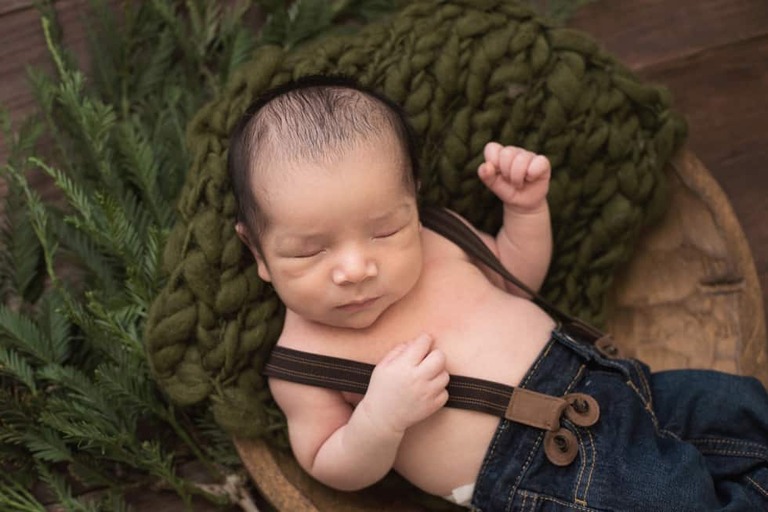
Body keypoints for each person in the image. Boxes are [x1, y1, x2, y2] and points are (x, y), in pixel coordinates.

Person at [228, 75, 768, 511]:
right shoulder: (302, 363)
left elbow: (518, 278)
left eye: (385, 230)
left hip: (616, 385)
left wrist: (526, 211)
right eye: (309, 252)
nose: (354, 268)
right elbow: (329, 464)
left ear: (413, 203)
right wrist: (379, 420)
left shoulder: (441, 236)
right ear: (258, 253)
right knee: (676, 498)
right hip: (544, 470)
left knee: (742, 408)